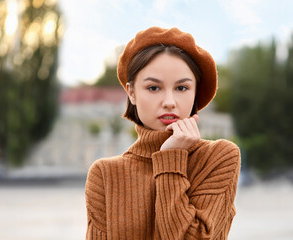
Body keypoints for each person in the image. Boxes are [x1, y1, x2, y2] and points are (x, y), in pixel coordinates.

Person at [85, 26, 241, 240]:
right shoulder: (105, 174)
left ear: (195, 92)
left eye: (182, 88)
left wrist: (170, 158)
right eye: (153, 88)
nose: (169, 102)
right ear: (131, 93)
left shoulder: (219, 157)